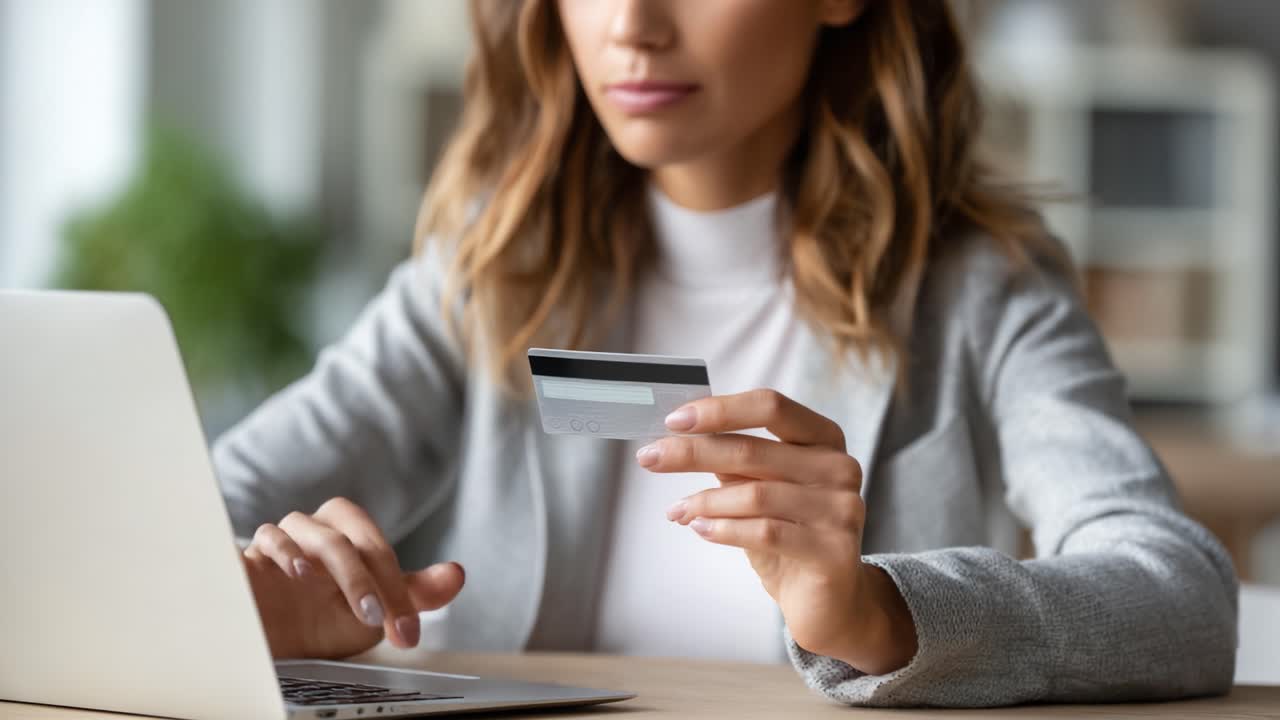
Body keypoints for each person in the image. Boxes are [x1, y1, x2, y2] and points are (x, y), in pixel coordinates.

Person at [215, 0, 1238, 708]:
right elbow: (195, 506)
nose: (631, 25)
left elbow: (1178, 597)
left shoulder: (981, 290)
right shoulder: (488, 269)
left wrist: (881, 613)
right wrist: (239, 596)